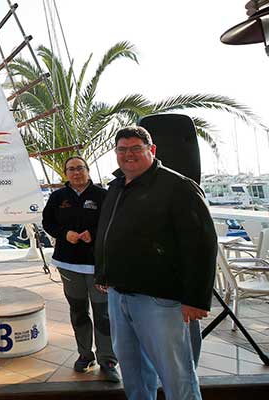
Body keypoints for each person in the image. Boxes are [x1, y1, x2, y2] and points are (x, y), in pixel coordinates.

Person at [95, 126, 217, 400]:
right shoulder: (116, 187)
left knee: (177, 377)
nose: (129, 155)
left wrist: (196, 298)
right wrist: (103, 273)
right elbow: (107, 231)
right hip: (119, 296)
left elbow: (202, 245)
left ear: (152, 150)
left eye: (136, 148)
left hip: (161, 302)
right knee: (134, 375)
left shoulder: (178, 187)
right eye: (122, 149)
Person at [42, 156, 119, 383]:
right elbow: (48, 223)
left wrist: (92, 235)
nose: (76, 172)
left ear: (87, 170)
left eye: (80, 168)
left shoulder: (103, 195)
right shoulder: (58, 197)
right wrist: (64, 234)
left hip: (98, 267)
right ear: (65, 173)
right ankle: (85, 355)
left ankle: (108, 360)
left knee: (103, 313)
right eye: (71, 169)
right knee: (78, 311)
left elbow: (113, 223)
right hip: (68, 265)